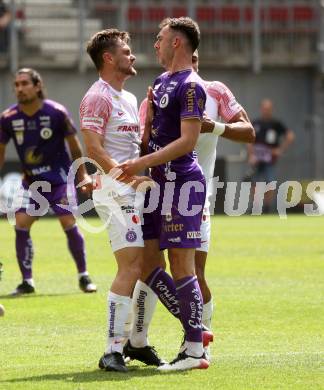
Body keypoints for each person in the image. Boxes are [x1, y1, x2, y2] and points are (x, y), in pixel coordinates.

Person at [126, 50, 255, 362]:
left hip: (198, 196)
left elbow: (249, 133)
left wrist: (216, 127)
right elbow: (146, 146)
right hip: (159, 194)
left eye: (196, 58)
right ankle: (138, 339)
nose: (192, 64)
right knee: (148, 267)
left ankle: (198, 343)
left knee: (193, 271)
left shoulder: (214, 91)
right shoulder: (157, 95)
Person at [119, 17, 211, 372]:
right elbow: (152, 135)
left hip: (183, 183)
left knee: (182, 265)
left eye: (160, 39)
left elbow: (188, 141)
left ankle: (193, 350)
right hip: (157, 184)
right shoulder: (160, 82)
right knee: (147, 263)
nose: (154, 45)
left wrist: (140, 161)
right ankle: (196, 330)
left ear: (176, 42)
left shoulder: (191, 85)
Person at [80, 29, 157, 373]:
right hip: (115, 191)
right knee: (130, 267)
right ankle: (111, 350)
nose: (133, 56)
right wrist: (127, 177)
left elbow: (131, 148)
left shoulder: (126, 97)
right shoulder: (97, 96)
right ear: (109, 58)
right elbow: (94, 149)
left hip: (132, 189)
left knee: (146, 267)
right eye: (126, 51)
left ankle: (133, 343)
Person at [0, 68, 97, 296]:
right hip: (32, 183)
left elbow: (74, 145)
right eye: (16, 84)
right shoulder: (8, 118)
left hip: (59, 180)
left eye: (25, 83)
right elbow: (1, 152)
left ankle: (84, 276)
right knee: (21, 224)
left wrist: (82, 174)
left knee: (67, 222)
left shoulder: (56, 112)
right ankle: (27, 282)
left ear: (37, 86)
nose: (20, 88)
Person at [247, 98, 294, 213]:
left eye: (268, 109)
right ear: (261, 109)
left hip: (270, 159)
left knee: (270, 182)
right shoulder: (256, 123)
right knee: (254, 182)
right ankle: (256, 207)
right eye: (264, 108)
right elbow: (249, 139)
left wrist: (280, 149)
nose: (266, 111)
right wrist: (251, 155)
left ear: (271, 110)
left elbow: (290, 136)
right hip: (257, 159)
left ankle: (267, 207)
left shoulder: (276, 124)